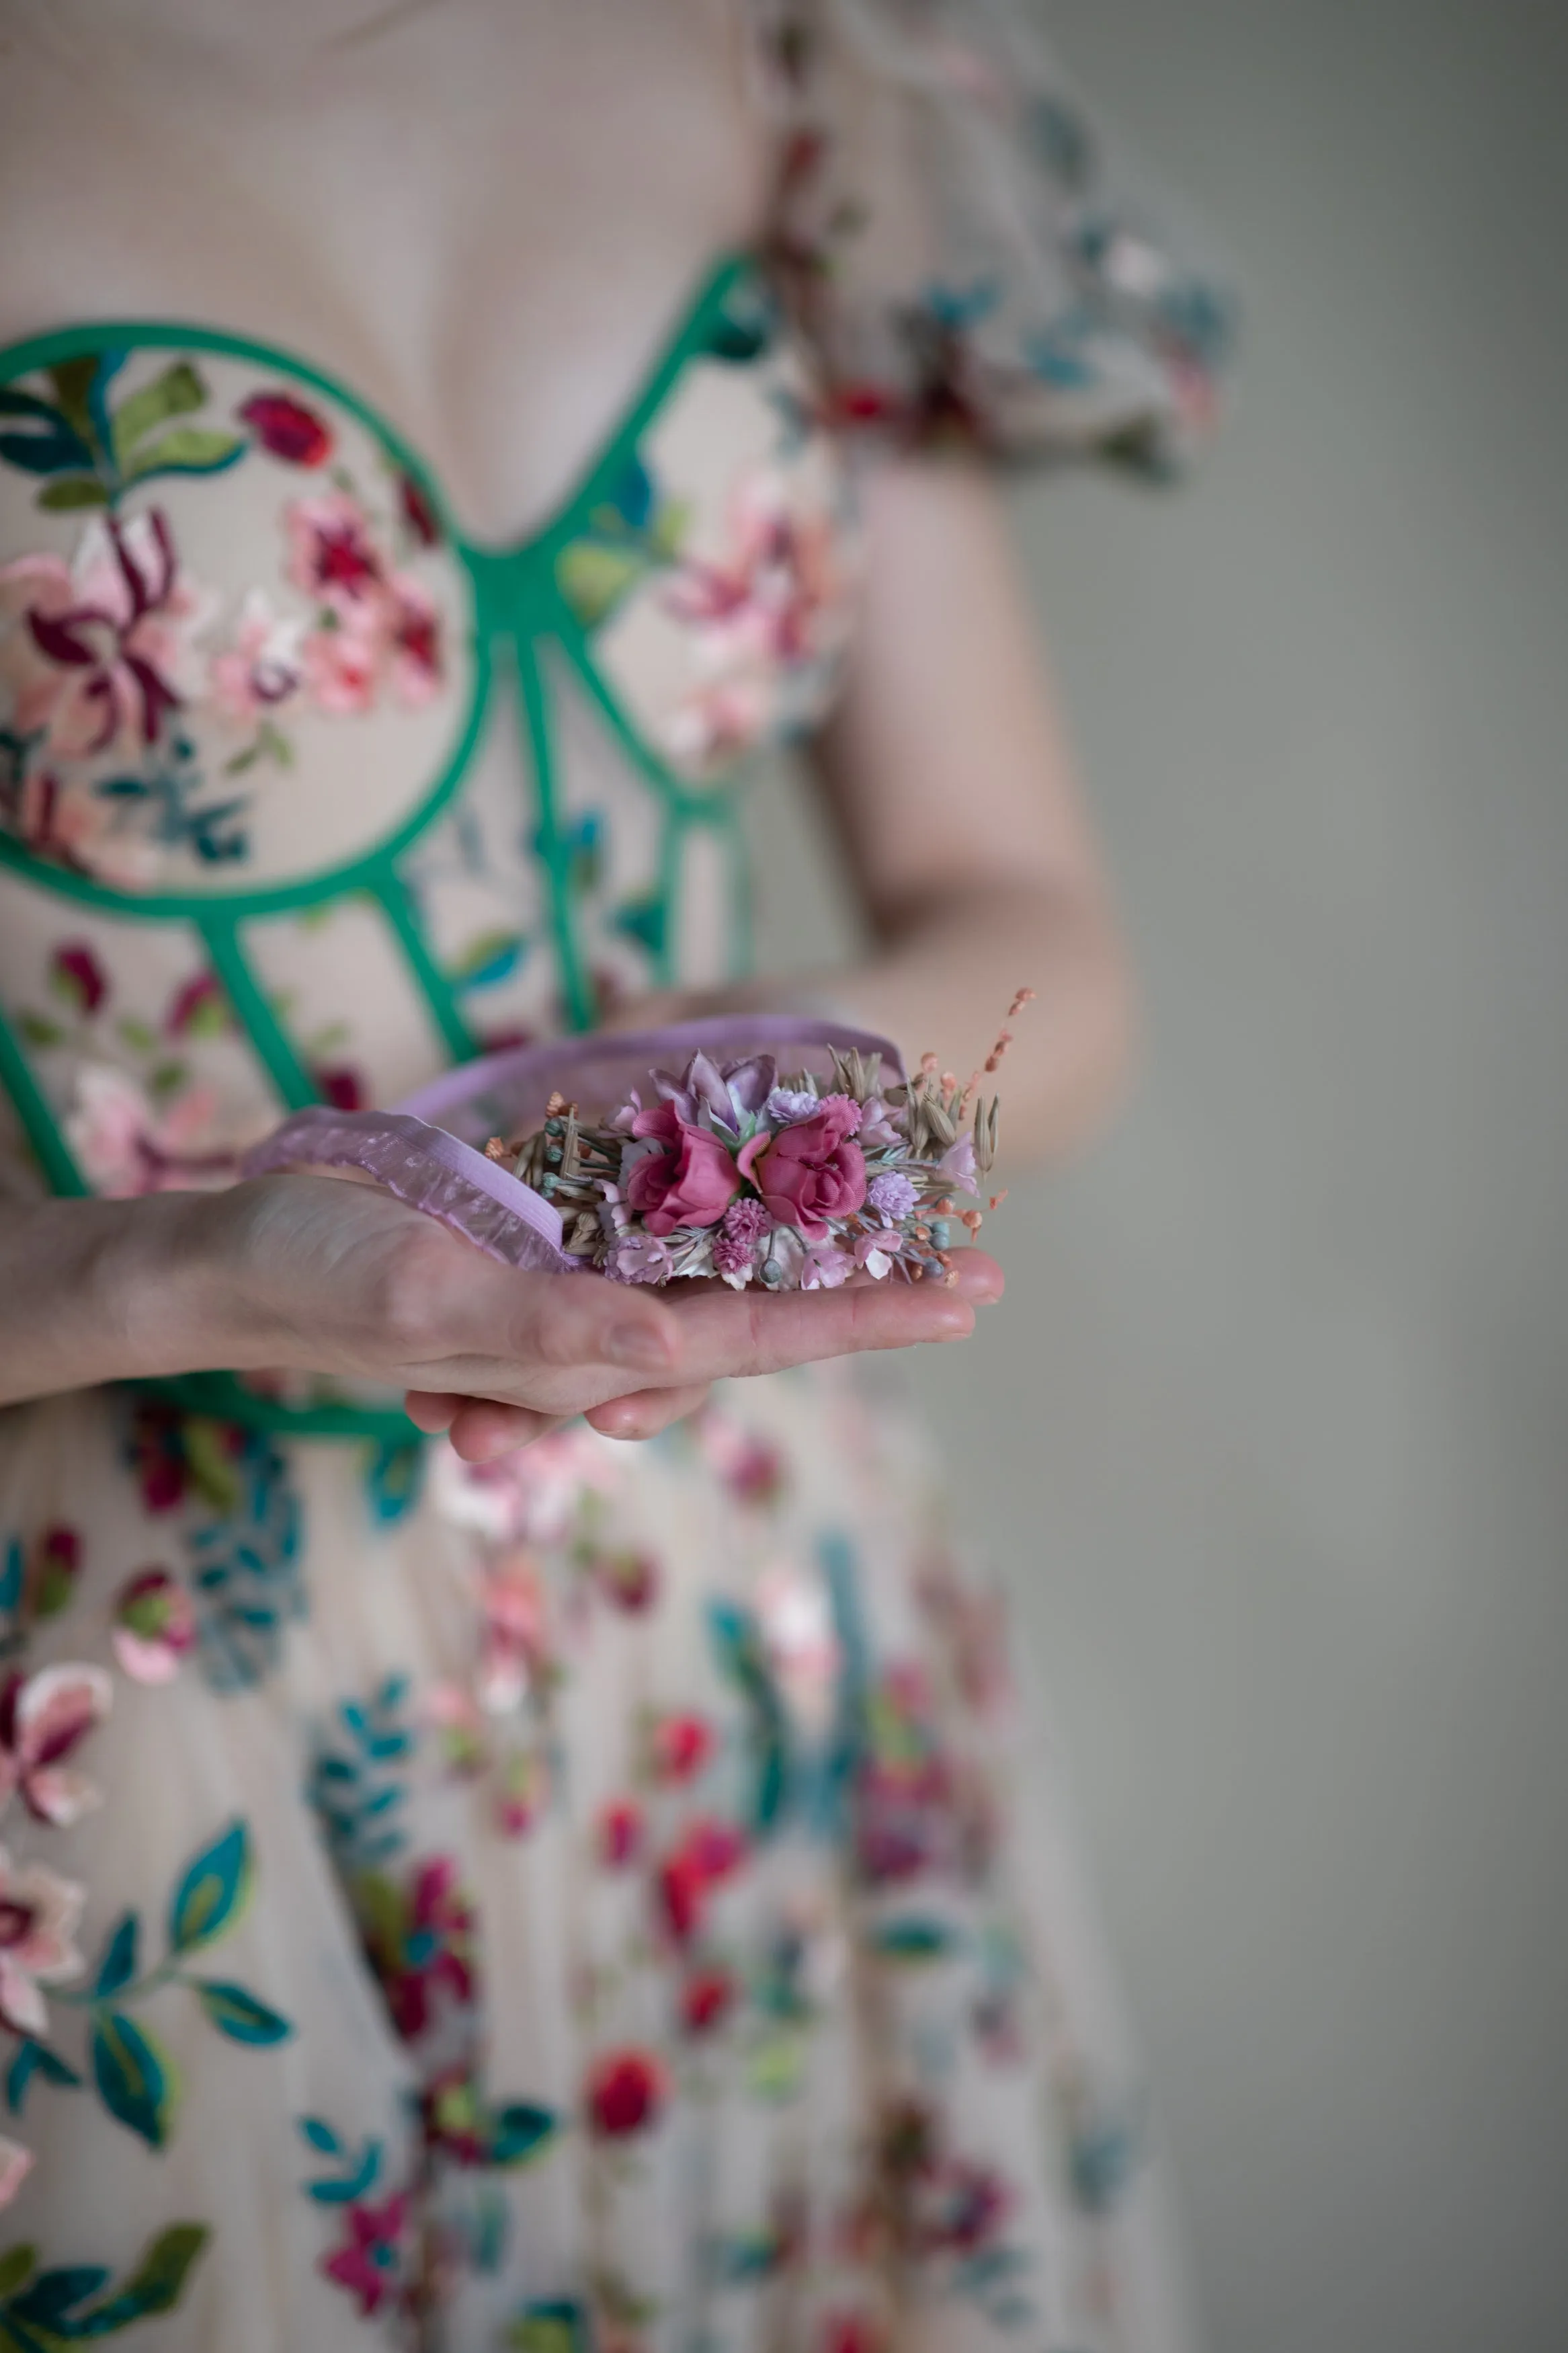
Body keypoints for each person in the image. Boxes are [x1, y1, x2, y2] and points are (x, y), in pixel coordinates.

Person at [0, 2, 1230, 2346]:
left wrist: (740, 1106)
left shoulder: (797, 65)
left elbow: (1035, 933)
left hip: (756, 1646)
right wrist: (194, 1265)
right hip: (159, 1719)